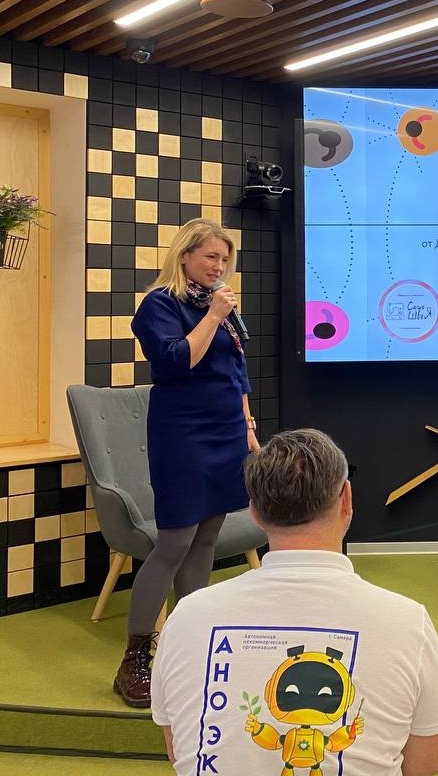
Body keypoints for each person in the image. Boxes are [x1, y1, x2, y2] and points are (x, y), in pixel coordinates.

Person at [151, 428, 438, 776]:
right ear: (346, 499)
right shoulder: (408, 622)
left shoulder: (186, 616)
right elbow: (423, 765)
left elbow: (178, 750)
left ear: (254, 511)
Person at [116, 218, 259, 707]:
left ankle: (192, 647)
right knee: (175, 540)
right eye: (210, 257)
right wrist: (215, 316)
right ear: (184, 256)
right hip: (182, 433)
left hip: (226, 431)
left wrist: (248, 426)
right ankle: (135, 658)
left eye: (225, 259)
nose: (219, 267)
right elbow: (177, 361)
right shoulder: (160, 304)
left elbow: (236, 372)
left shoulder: (213, 305)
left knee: (207, 537)